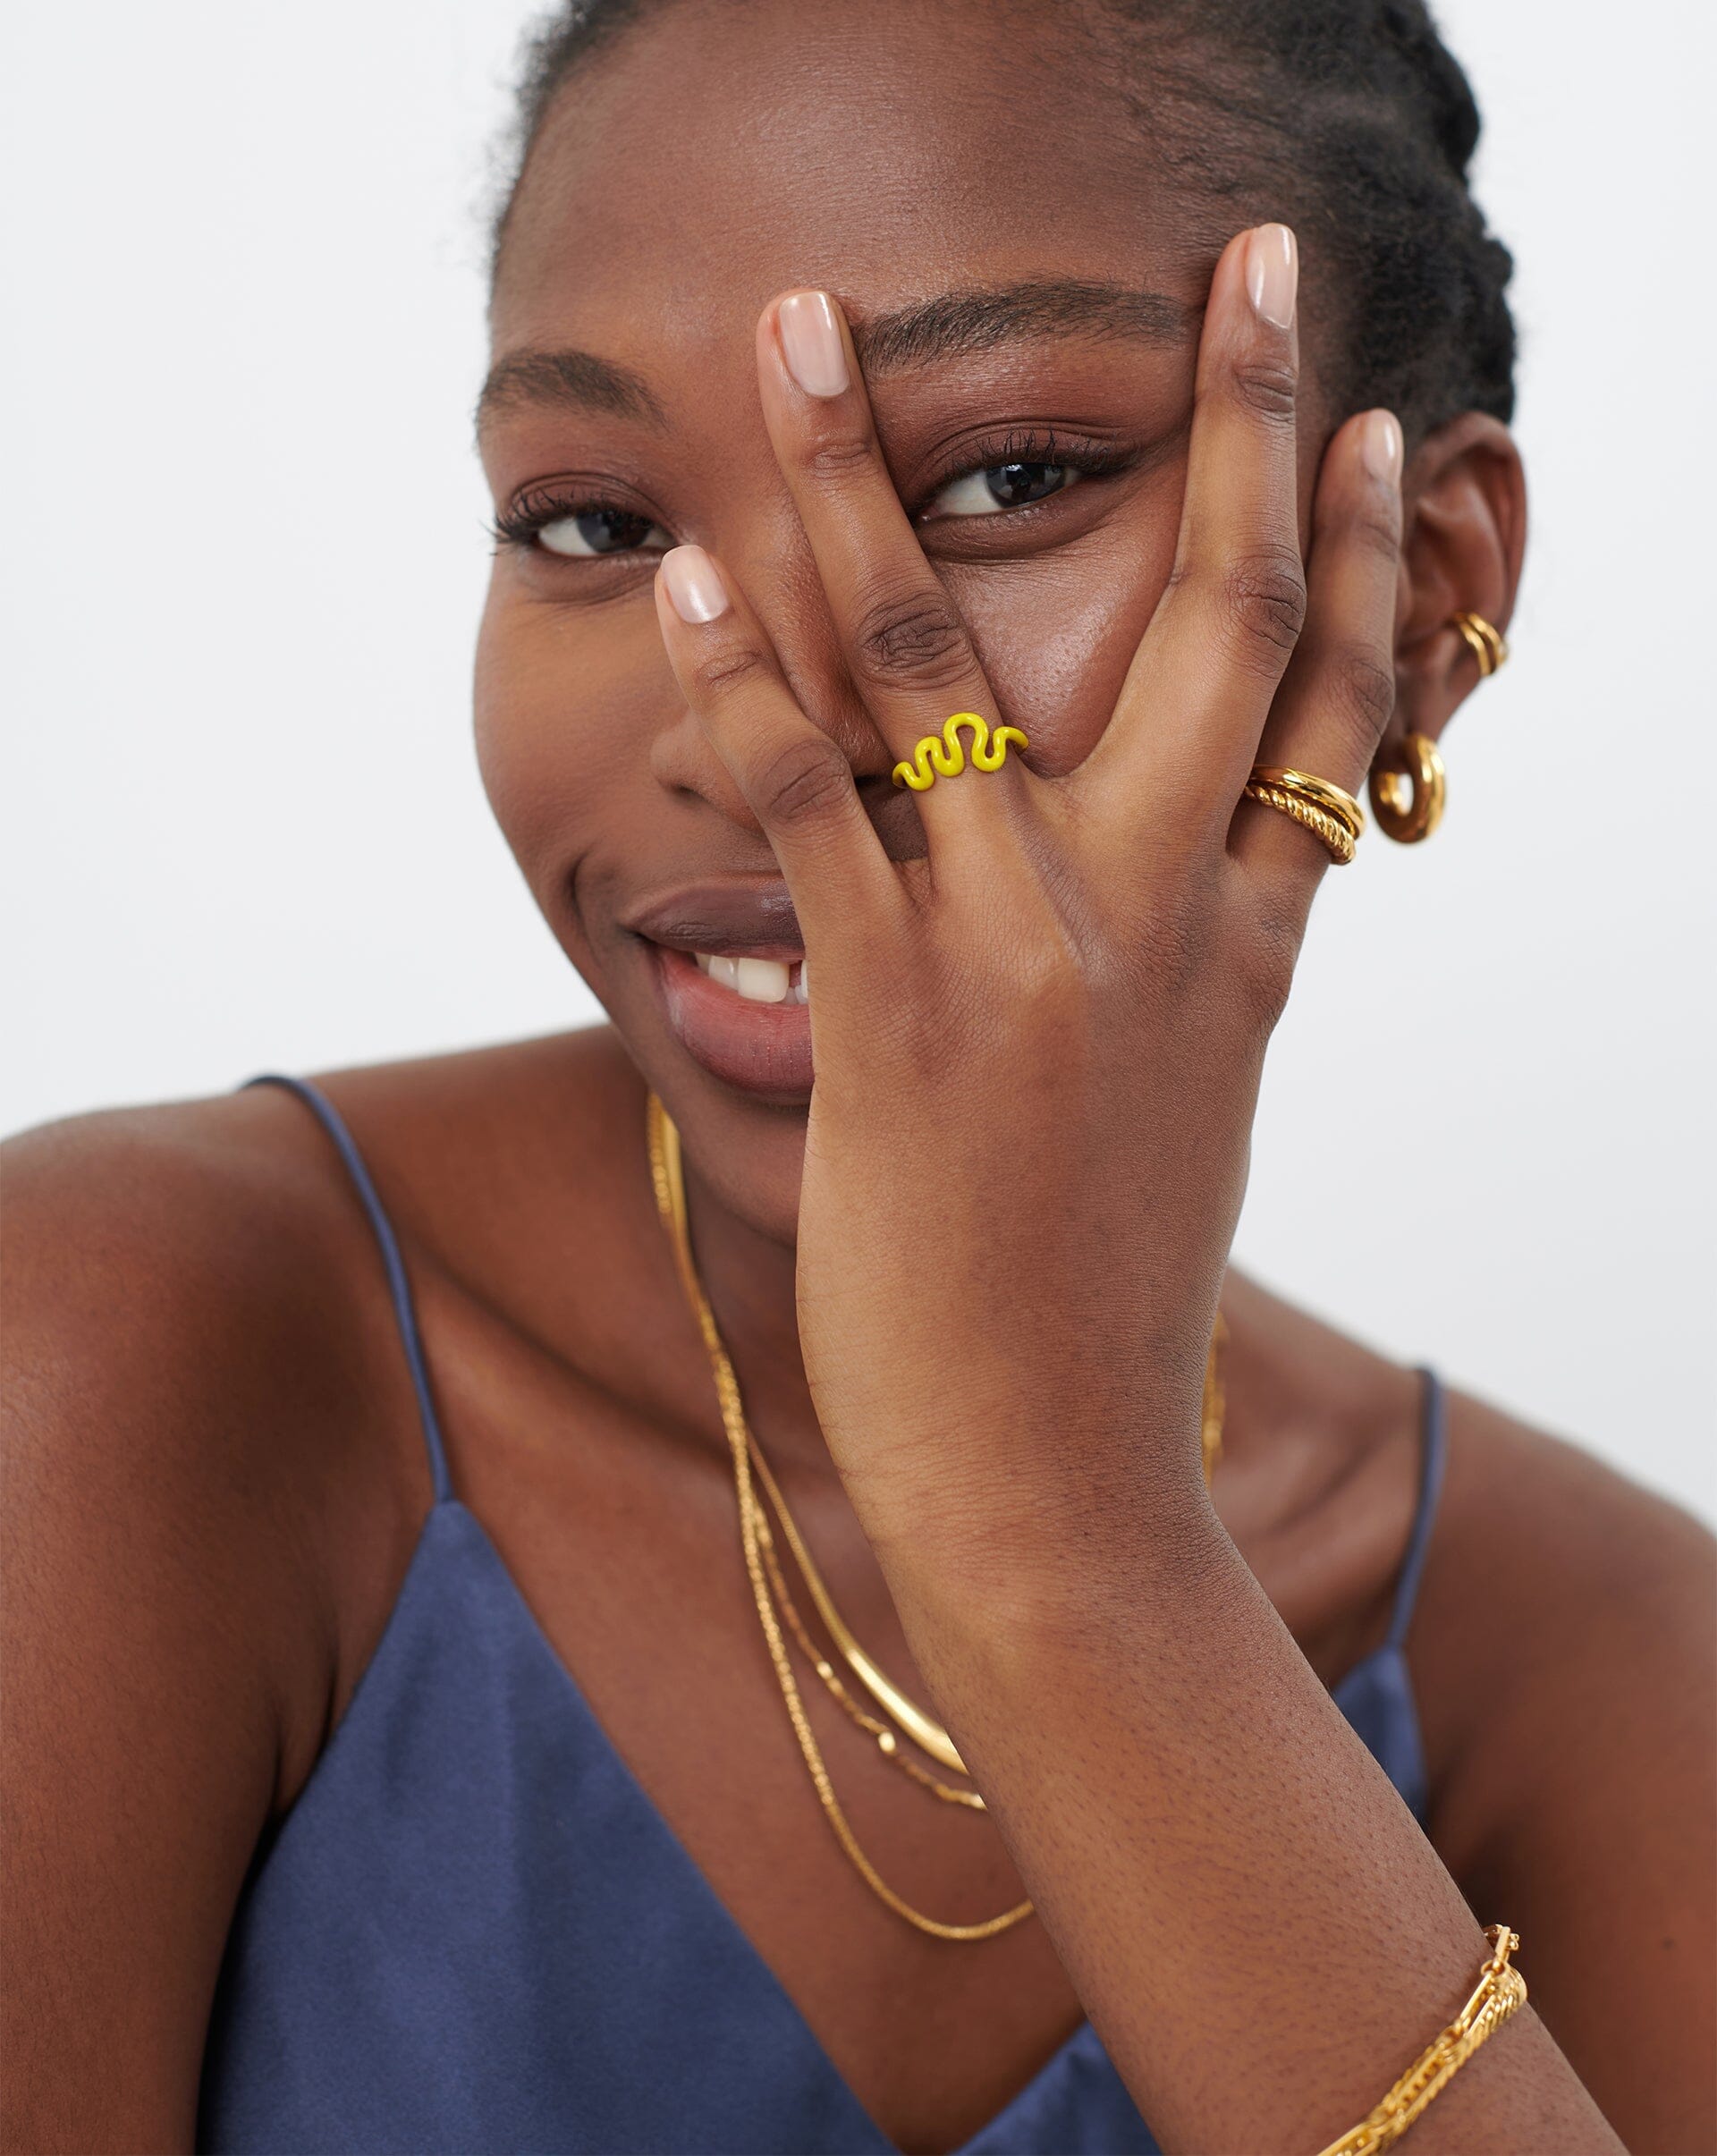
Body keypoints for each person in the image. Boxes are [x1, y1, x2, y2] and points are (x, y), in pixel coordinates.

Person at [4, 1, 1713, 2151]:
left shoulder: (1603, 1654)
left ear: (1428, 601)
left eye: (1003, 482)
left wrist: (1064, 1542)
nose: (741, 725)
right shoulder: (116, 1360)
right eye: (593, 524)